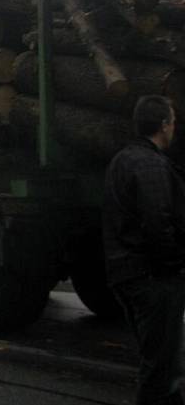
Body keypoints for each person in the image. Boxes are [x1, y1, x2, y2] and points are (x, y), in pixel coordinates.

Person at [104, 95, 185, 405]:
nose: (175, 127)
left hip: (130, 274)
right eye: (173, 121)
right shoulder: (149, 164)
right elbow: (157, 224)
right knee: (161, 371)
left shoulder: (122, 159)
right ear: (164, 126)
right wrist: (173, 265)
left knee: (160, 362)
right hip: (152, 278)